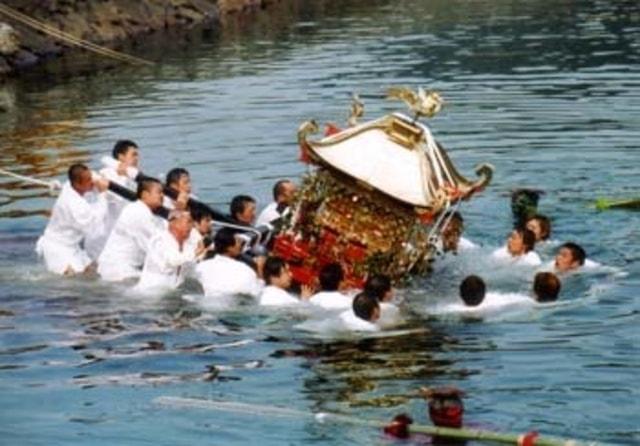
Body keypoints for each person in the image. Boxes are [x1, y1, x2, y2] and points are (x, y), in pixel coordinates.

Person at [35, 164, 109, 275]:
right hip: (57, 247)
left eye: (91, 178)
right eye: (89, 180)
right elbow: (95, 221)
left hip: (72, 245)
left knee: (93, 271)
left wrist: (98, 179)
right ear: (77, 184)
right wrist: (103, 194)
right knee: (71, 280)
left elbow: (91, 177)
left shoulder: (69, 186)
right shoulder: (75, 204)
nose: (92, 182)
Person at [97, 178, 166, 281]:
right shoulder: (139, 213)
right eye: (159, 192)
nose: (162, 196)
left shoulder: (141, 209)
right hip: (119, 270)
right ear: (145, 194)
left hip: (120, 268)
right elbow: (156, 247)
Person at [86, 140, 141, 259]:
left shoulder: (133, 177)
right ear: (121, 157)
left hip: (123, 233)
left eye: (138, 155)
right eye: (134, 154)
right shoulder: (106, 174)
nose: (137, 158)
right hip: (105, 236)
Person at [133, 211, 203, 294]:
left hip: (171, 290)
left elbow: (194, 262)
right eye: (188, 222)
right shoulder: (160, 240)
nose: (191, 226)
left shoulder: (187, 242)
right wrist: (195, 253)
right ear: (174, 223)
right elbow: (173, 260)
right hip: (150, 293)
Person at [195, 228, 263, 298]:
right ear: (230, 248)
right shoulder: (245, 270)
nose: (242, 244)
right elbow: (257, 293)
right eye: (239, 241)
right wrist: (260, 270)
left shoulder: (200, 267)